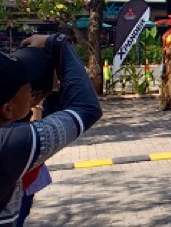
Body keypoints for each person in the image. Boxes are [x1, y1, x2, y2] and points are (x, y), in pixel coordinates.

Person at [1, 34, 102, 226]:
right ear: (7, 109)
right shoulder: (10, 145)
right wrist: (57, 43)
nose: (32, 88)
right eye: (25, 83)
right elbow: (86, 108)